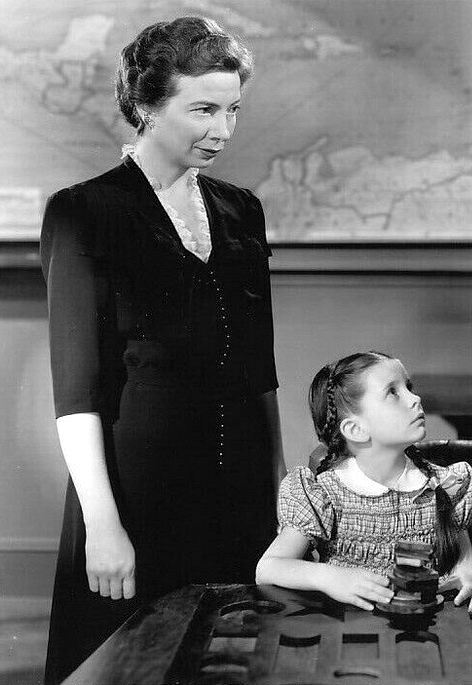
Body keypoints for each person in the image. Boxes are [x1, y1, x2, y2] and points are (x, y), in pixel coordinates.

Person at [40, 17, 283, 684]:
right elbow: (77, 390)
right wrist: (102, 524)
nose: (223, 130)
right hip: (136, 495)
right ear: (147, 106)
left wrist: (279, 488)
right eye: (203, 110)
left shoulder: (242, 210)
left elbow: (258, 371)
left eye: (233, 110)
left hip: (238, 492)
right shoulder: (84, 212)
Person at [256, 351, 472, 616]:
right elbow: (269, 567)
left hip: (426, 629)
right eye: (393, 392)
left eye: (409, 388)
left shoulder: (444, 486)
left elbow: (469, 568)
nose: (415, 399)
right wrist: (330, 577)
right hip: (351, 632)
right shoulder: (325, 494)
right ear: (355, 430)